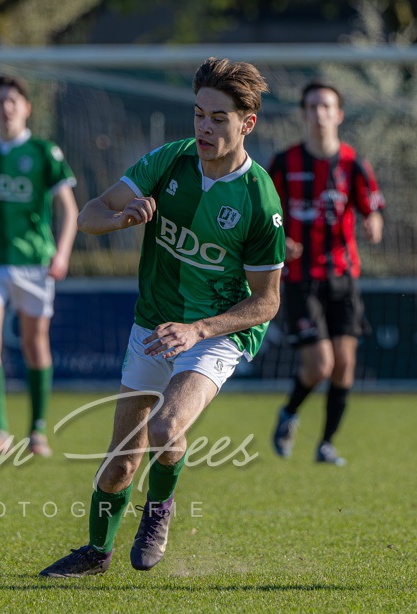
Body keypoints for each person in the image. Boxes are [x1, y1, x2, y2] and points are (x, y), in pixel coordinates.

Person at [39, 57, 285, 578]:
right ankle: (96, 553)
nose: (204, 127)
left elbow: (266, 302)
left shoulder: (259, 199)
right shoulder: (170, 160)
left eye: (218, 118)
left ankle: (158, 511)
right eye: (198, 113)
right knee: (120, 462)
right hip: (155, 321)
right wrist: (120, 218)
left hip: (216, 331)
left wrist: (199, 330)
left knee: (167, 426)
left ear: (247, 123)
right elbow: (89, 214)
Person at [0, 75, 79, 457]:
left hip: (33, 262)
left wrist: (62, 253)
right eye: (0, 101)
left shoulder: (44, 152)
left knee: (34, 344)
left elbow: (69, 209)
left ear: (26, 107)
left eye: (13, 101)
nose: (6, 107)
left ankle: (37, 430)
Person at [269, 80, 385, 466]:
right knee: (321, 365)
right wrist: (281, 241)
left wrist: (373, 224)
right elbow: (264, 217)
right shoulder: (284, 163)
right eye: (312, 106)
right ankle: (289, 413)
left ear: (339, 114)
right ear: (304, 114)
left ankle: (326, 445)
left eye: (326, 106)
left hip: (343, 277)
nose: (319, 113)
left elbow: (372, 209)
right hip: (300, 279)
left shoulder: (353, 163)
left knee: (345, 366)